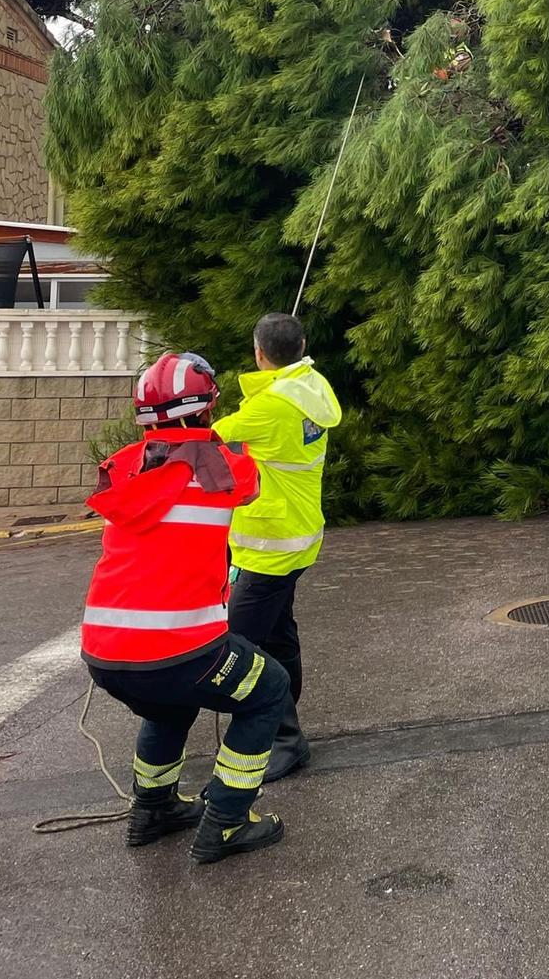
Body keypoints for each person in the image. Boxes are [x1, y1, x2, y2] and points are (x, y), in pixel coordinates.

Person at [82, 351, 291, 863]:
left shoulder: (124, 467)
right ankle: (225, 821)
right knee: (268, 691)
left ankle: (152, 809)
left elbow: (165, 467)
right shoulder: (225, 467)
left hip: (106, 652)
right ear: (206, 411)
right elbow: (251, 482)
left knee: (169, 706)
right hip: (183, 648)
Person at [215, 312, 341, 782]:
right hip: (296, 536)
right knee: (276, 633)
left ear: (258, 352)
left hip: (269, 546)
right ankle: (286, 730)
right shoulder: (311, 388)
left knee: (238, 644)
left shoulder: (269, 408)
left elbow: (205, 441)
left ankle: (285, 738)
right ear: (303, 346)